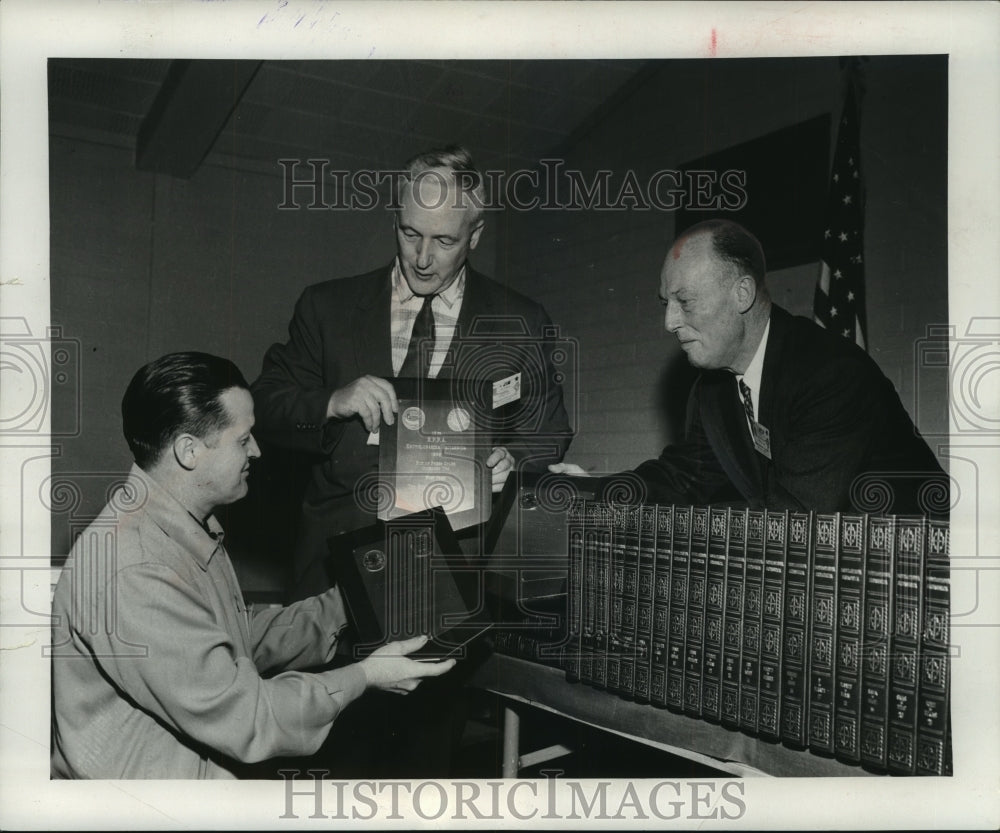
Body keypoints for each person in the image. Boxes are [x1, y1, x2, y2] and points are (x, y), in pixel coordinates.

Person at [50, 352, 454, 779]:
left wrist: (356, 599)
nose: (257, 451)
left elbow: (233, 641)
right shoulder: (134, 566)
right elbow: (248, 719)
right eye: (243, 439)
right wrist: (366, 676)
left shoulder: (178, 527)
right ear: (189, 451)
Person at [252, 144, 572, 601]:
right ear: (395, 220)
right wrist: (332, 401)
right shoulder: (326, 307)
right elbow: (262, 405)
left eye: (445, 241)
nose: (422, 258)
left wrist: (515, 460)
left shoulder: (522, 321)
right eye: (410, 233)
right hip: (333, 570)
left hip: (452, 569)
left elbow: (551, 429)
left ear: (475, 235)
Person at [552, 219, 947, 515]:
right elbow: (686, 476)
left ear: (743, 293)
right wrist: (598, 489)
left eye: (685, 302)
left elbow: (791, 521)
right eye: (665, 304)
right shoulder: (713, 388)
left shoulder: (830, 375)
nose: (669, 322)